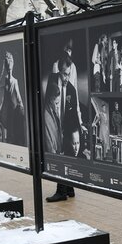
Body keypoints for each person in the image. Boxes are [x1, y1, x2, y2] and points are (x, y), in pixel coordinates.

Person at [47, 53, 81, 202]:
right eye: (64, 74)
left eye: (69, 74)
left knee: (65, 158)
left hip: (66, 129)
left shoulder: (72, 90)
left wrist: (76, 133)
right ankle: (69, 188)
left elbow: (73, 113)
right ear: (59, 71)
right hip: (53, 124)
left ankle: (63, 191)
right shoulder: (51, 80)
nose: (66, 78)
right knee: (59, 157)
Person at [0, 53, 25, 145]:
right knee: (10, 132)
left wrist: (21, 106)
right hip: (9, 110)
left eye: (9, 65)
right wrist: (0, 108)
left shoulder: (14, 81)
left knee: (13, 132)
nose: (9, 69)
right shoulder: (6, 80)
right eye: (7, 66)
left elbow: (18, 96)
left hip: (14, 110)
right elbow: (5, 97)